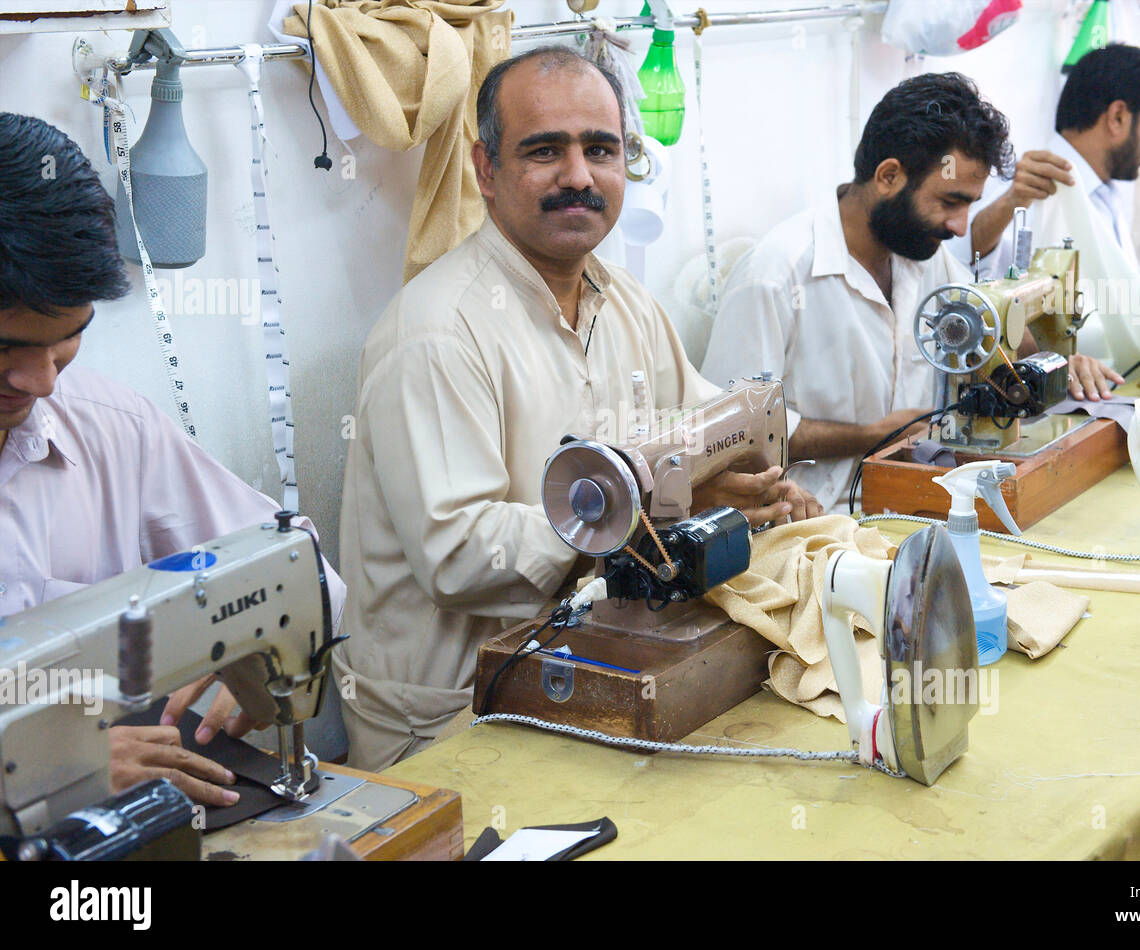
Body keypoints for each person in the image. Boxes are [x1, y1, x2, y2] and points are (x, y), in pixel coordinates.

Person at [336, 46, 822, 772]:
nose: (579, 176)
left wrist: (759, 473)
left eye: (601, 149)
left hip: (597, 675)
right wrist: (661, 502)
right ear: (486, 170)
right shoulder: (436, 333)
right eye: (544, 151)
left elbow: (706, 429)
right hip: (456, 723)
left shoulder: (624, 300)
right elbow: (460, 553)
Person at [0, 112, 346, 809]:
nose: (40, 384)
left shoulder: (110, 431)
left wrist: (239, 653)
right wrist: (46, 767)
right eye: (5, 348)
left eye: (67, 341)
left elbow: (299, 575)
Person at [700, 73, 1121, 513]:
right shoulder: (776, 274)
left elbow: (995, 334)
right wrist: (872, 435)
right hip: (817, 522)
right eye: (950, 202)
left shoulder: (925, 258)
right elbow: (733, 431)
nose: (961, 227)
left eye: (969, 206)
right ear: (888, 176)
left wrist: (1057, 364)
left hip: (915, 500)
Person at [963, 44, 1140, 368]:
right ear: (1117, 117)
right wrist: (1011, 202)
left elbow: (1127, 288)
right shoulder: (1026, 189)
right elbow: (968, 265)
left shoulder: (1101, 194)